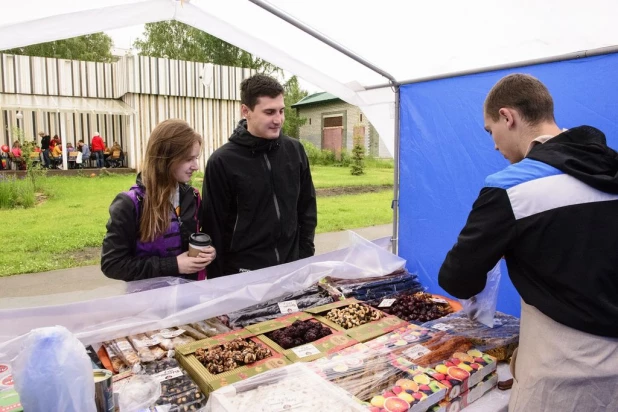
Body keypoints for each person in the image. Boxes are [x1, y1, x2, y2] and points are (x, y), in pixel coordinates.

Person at [438, 74, 618, 412]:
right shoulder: (610, 168)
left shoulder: (511, 189)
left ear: (508, 117)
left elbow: (456, 278)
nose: (494, 144)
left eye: (490, 130)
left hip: (564, 375)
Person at [202, 74, 317, 278]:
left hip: (292, 268)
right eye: (269, 112)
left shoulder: (295, 150)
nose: (278, 120)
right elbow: (214, 228)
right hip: (244, 275)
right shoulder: (222, 161)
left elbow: (307, 208)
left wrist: (304, 255)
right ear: (246, 111)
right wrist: (217, 284)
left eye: (281, 111)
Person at [101, 119, 216, 282]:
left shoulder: (193, 197)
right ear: (166, 159)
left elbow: (196, 238)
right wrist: (173, 265)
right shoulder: (130, 204)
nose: (196, 166)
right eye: (189, 159)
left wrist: (207, 251)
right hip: (149, 303)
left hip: (190, 299)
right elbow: (112, 265)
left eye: (196, 158)